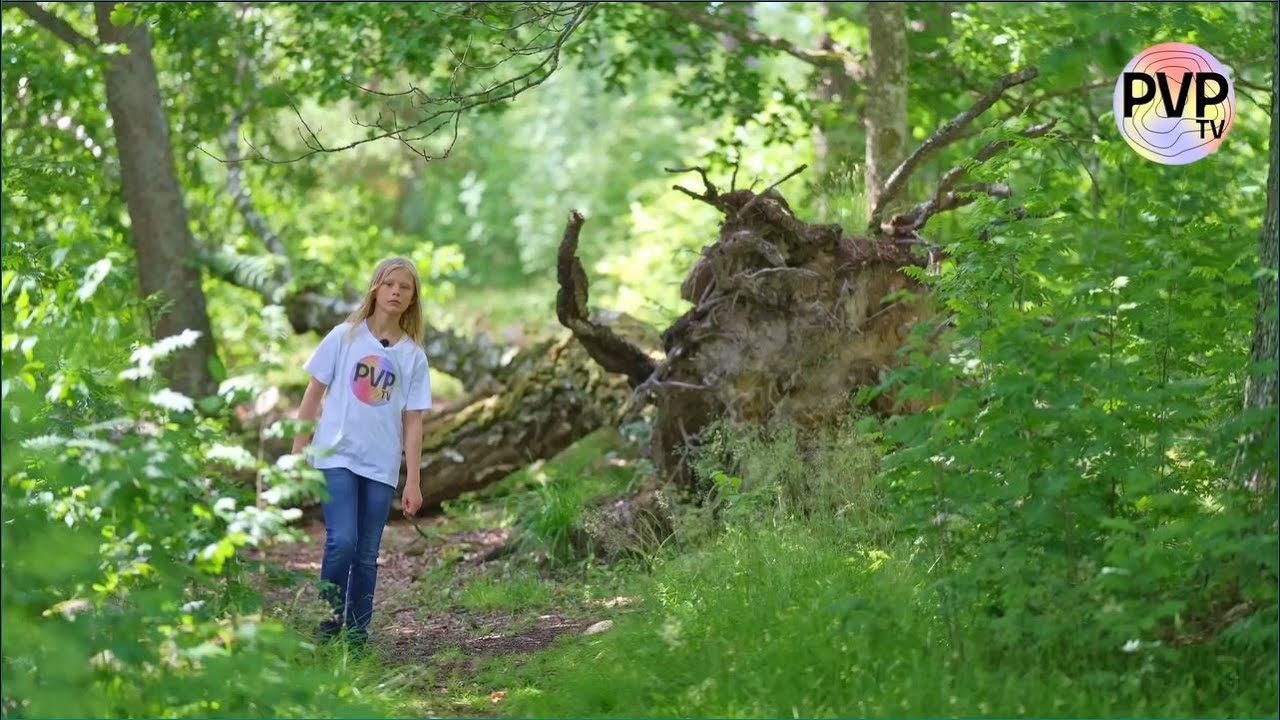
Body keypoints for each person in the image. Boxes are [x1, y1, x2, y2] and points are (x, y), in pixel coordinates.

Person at [291, 257, 432, 645]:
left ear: (412, 299)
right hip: (335, 455)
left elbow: (414, 421)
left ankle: (355, 637)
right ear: (375, 288)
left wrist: (413, 481)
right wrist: (297, 452)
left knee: (367, 554)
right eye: (389, 284)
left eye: (405, 288)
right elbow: (312, 395)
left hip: (381, 465)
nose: (396, 292)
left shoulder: (413, 356)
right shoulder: (344, 337)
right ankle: (326, 626)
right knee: (343, 541)